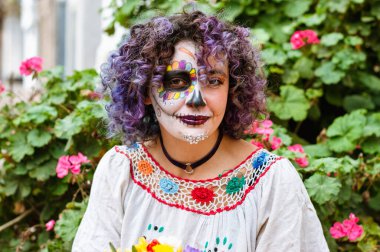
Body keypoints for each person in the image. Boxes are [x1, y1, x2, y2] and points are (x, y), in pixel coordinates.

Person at [72, 11, 328, 252]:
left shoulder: (271, 183)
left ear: (233, 90)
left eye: (213, 81)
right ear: (145, 91)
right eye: (177, 81)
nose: (197, 99)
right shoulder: (120, 172)